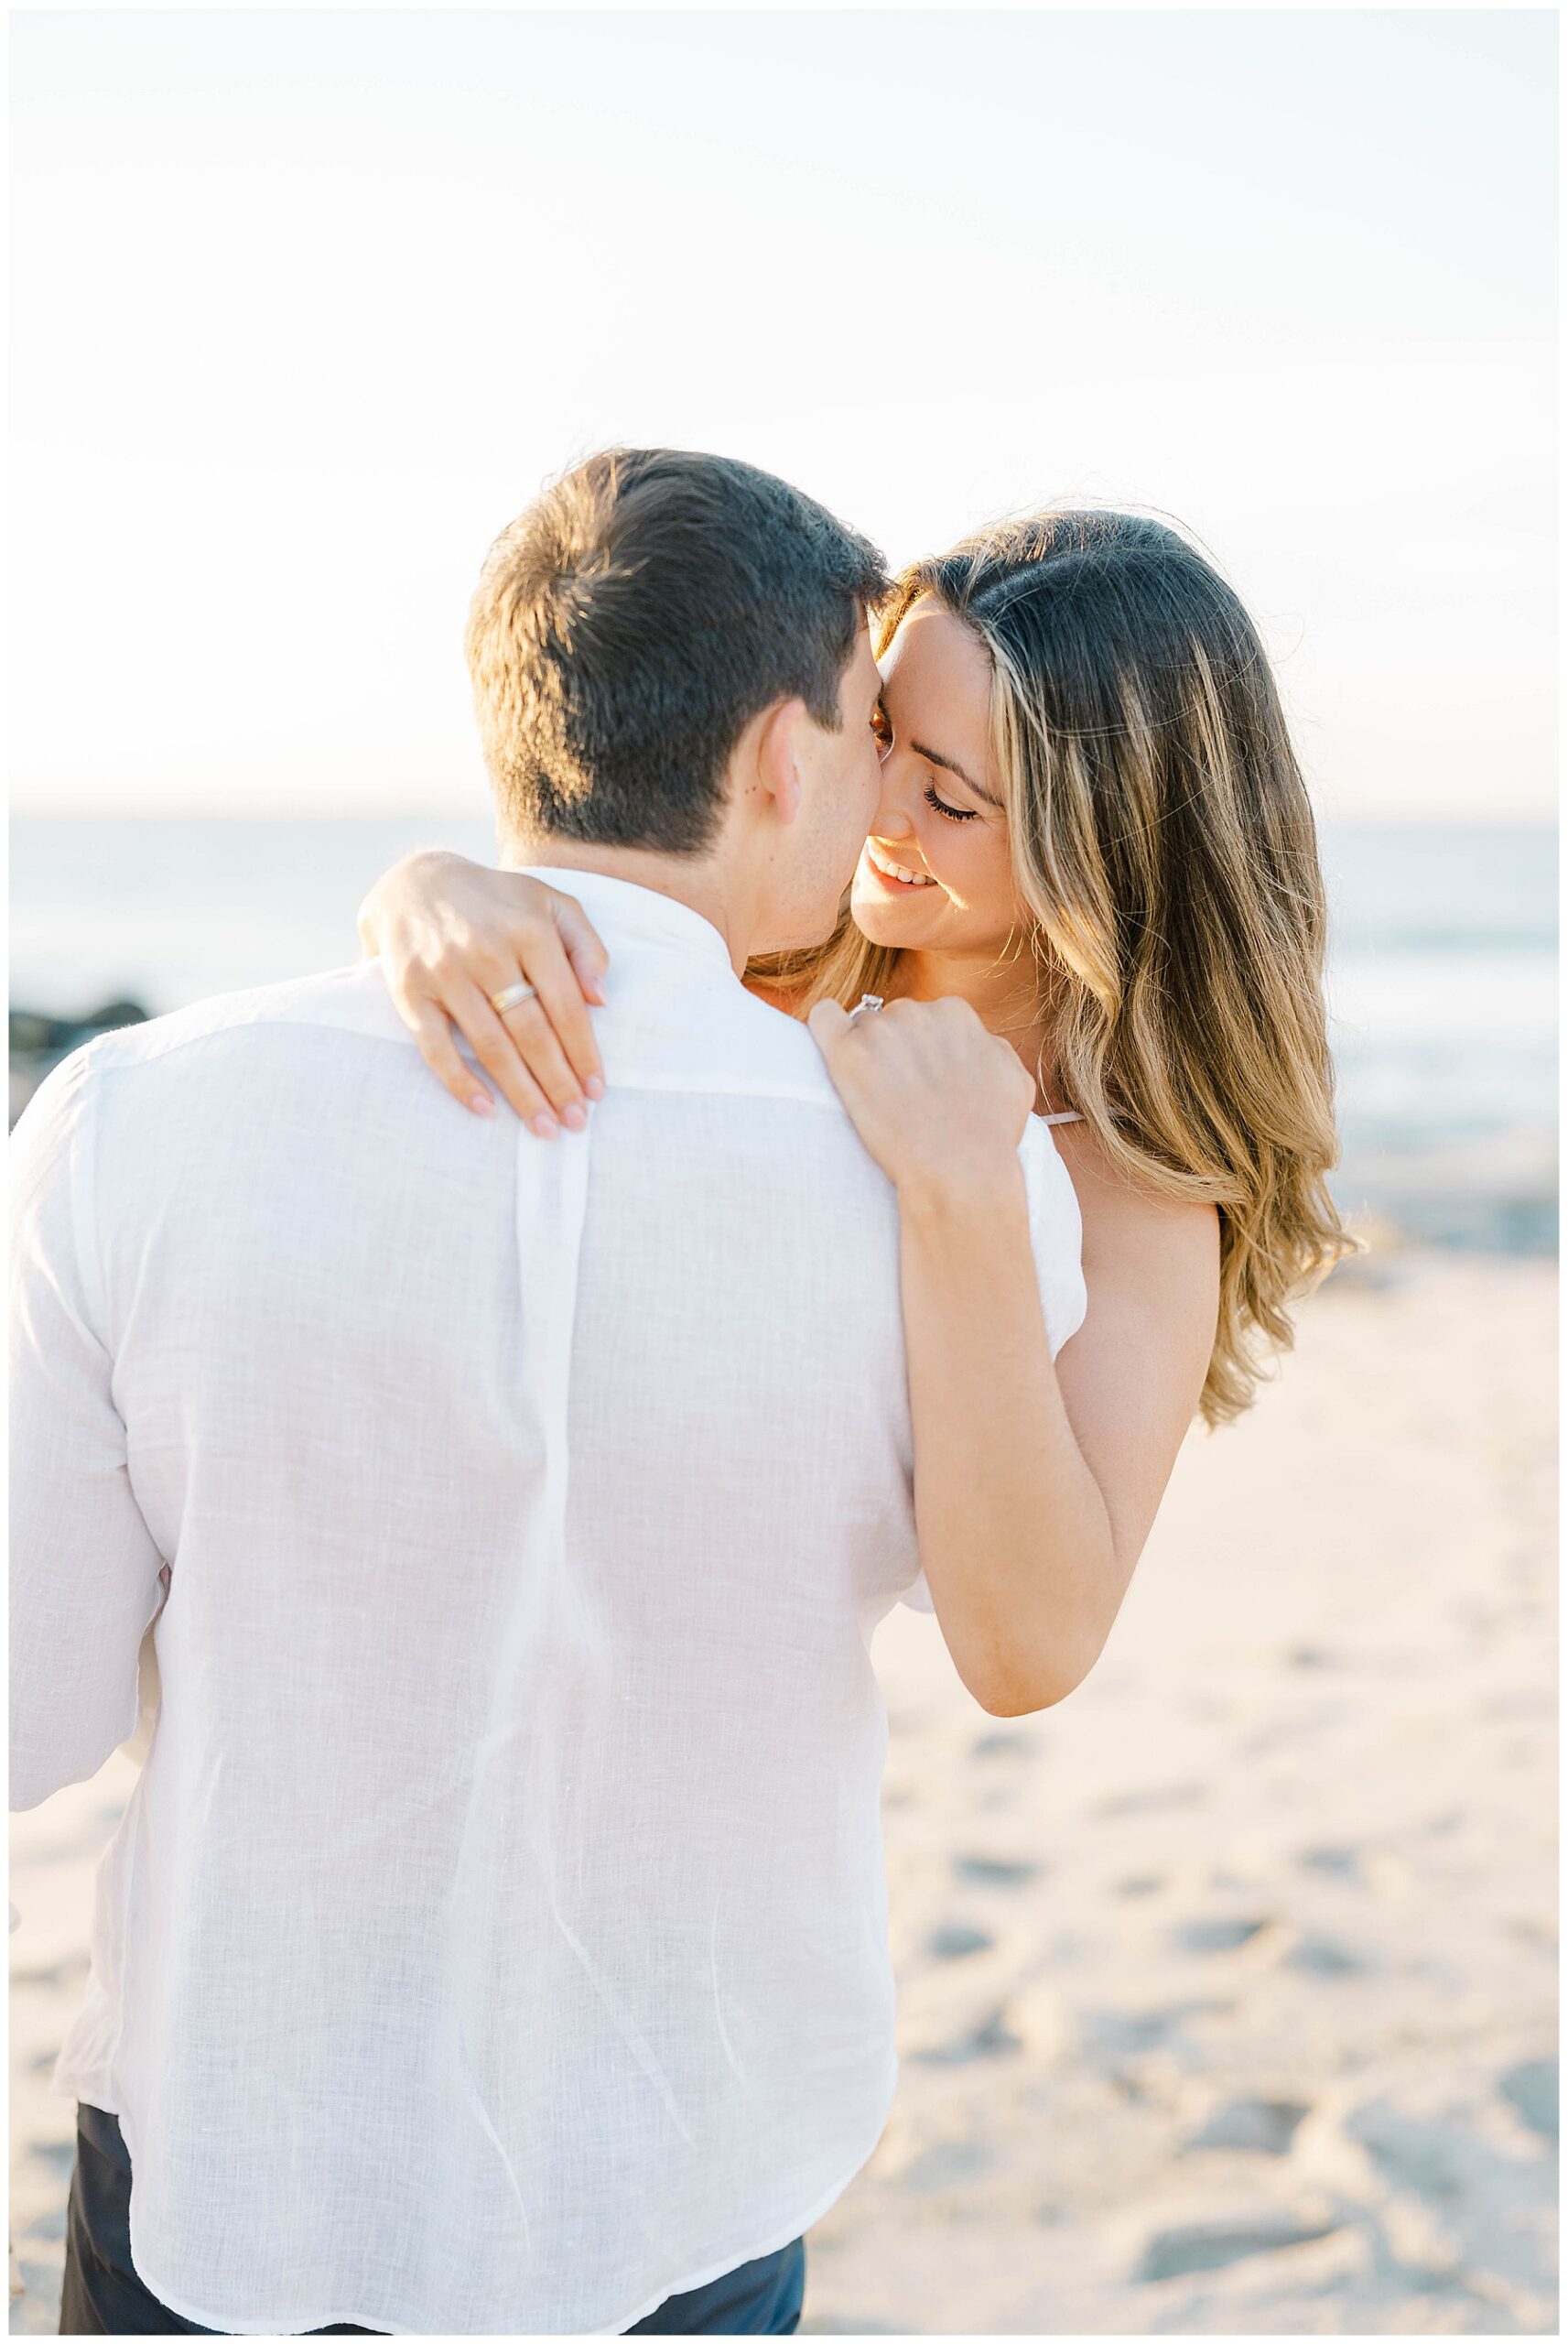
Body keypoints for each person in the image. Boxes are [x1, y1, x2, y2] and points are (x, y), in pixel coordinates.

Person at [8, 448, 1088, 2339]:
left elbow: (29, 1698)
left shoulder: (133, 1118)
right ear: (775, 752)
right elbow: (1001, 1604)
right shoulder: (947, 1183)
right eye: (862, 735)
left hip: (241, 2163)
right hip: (679, 2168)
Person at [360, 506, 1355, 1650]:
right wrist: (427, 889)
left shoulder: (1130, 1190)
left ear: (1106, 851)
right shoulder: (761, 952)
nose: (874, 806)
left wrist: (968, 1191)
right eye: (879, 732)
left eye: (949, 797)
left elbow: (1034, 1644)